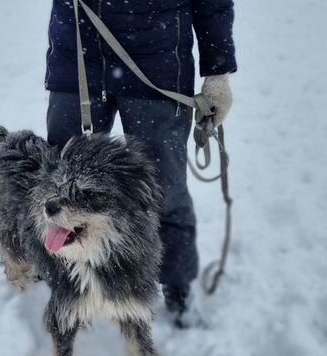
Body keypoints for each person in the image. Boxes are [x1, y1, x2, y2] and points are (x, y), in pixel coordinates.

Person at [44, 0, 236, 326]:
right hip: (77, 54)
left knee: (164, 189)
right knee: (61, 187)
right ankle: (65, 279)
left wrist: (218, 71)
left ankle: (176, 284)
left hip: (158, 61)